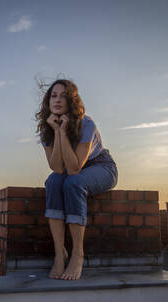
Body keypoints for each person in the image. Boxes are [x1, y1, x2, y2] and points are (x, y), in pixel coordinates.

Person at [35, 79, 118, 280]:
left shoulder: (86, 123)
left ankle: (77, 254)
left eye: (63, 96)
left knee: (73, 183)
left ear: (72, 100)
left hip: (101, 167)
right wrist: (56, 131)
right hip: (73, 170)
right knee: (53, 182)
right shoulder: (48, 128)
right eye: (53, 95)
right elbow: (57, 168)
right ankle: (59, 253)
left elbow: (73, 170)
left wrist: (63, 132)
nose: (57, 100)